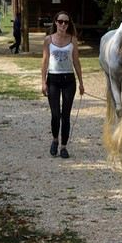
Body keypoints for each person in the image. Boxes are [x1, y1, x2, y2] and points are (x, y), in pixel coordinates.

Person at [41, 11, 84, 159]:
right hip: (53, 78)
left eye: (66, 22)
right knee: (55, 114)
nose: (63, 24)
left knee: (66, 115)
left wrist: (81, 82)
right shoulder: (48, 40)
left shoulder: (73, 40)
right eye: (60, 21)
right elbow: (45, 61)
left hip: (68, 80)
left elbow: (76, 61)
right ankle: (55, 140)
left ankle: (64, 146)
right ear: (55, 22)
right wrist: (43, 81)